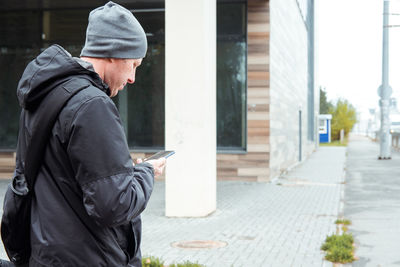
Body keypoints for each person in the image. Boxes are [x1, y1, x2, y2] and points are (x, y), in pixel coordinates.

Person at [11, 1, 165, 266]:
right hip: (88, 256)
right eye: (134, 65)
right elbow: (113, 205)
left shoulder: (46, 95)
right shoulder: (92, 105)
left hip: (46, 254)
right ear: (114, 53)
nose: (132, 78)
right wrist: (146, 173)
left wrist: (120, 172)